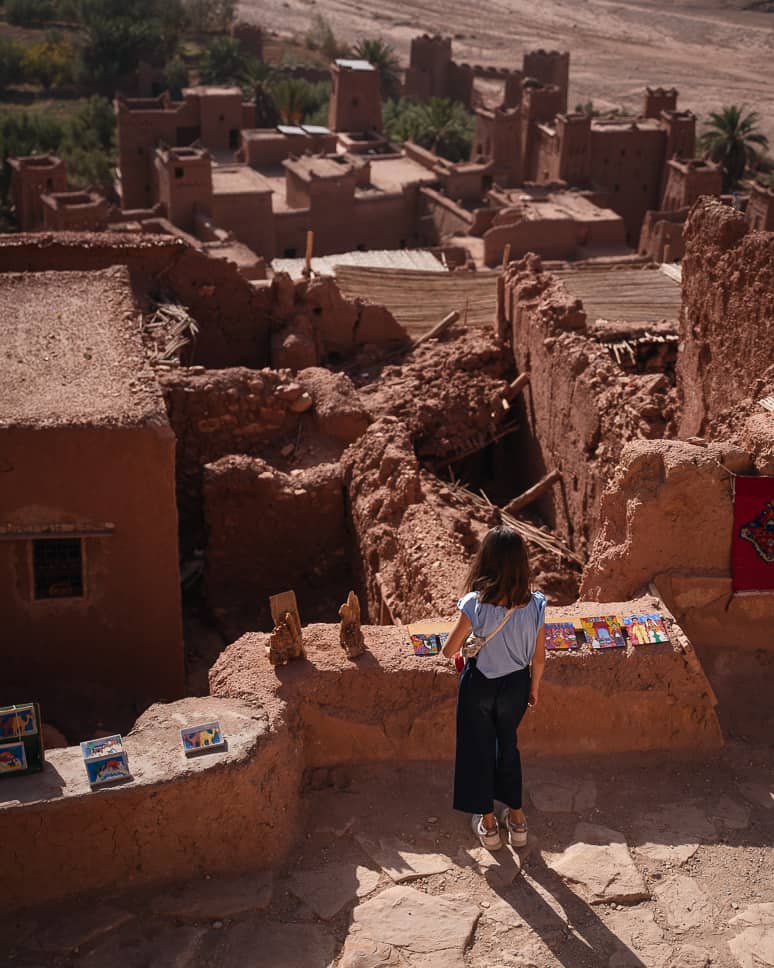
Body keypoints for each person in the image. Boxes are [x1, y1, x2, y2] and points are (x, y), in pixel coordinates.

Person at [442, 526, 546, 850]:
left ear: (486, 561)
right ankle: (517, 821)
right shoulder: (537, 604)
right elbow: (539, 657)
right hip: (517, 685)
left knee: (478, 750)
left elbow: (448, 650)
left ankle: (488, 826)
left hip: (480, 686)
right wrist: (534, 689)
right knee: (508, 748)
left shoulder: (475, 604)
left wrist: (469, 642)